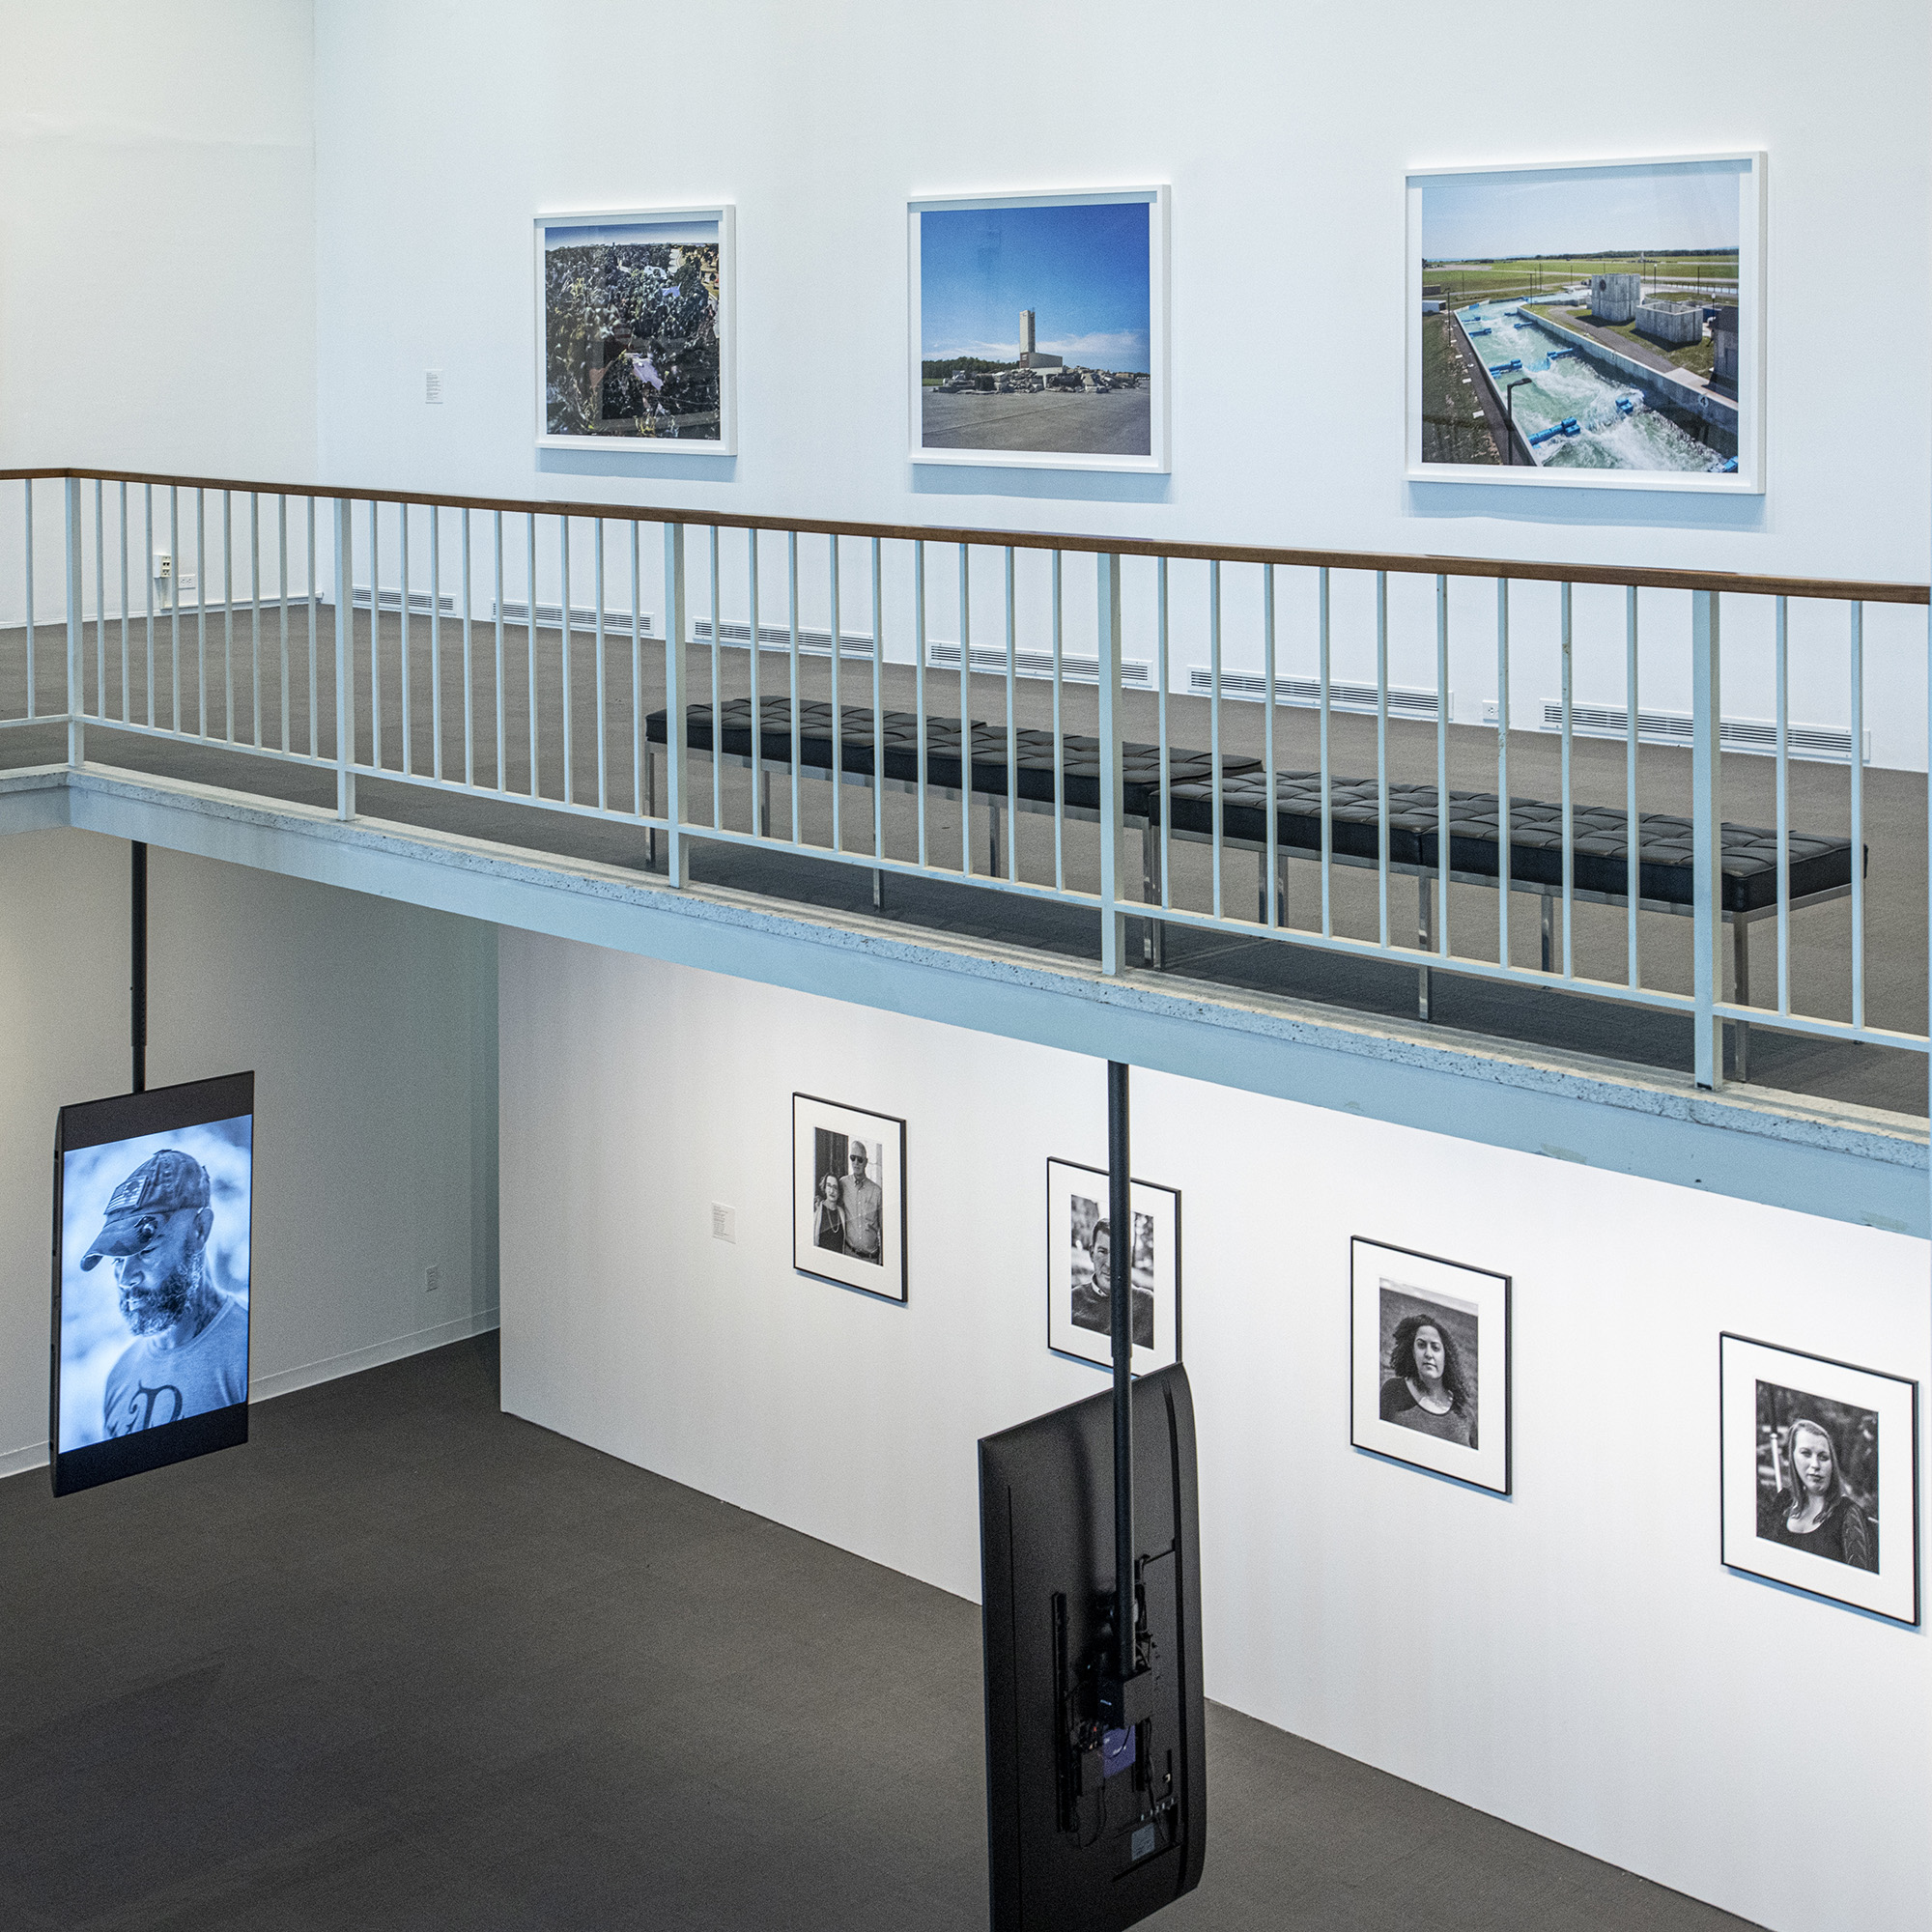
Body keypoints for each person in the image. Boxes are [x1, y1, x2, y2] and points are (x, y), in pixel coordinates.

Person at [82, 1148, 246, 1437]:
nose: (125, 1278)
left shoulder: (248, 1351)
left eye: (145, 1250)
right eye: (117, 1259)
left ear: (199, 1230)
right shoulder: (119, 1376)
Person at [1757, 1416, 1876, 1571]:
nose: (1815, 1465)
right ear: (1792, 1457)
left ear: (1832, 1464)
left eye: (1823, 1457)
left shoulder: (1848, 1514)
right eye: (1806, 1453)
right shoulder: (1784, 1501)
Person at [1378, 1313, 1476, 1449]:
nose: (1428, 1354)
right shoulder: (1393, 1391)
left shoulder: (1464, 1412)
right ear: (1412, 1352)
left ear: (1446, 1356)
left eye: (1435, 1348)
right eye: (1421, 1345)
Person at [1069, 1218, 1154, 1349]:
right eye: (1102, 1252)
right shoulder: (1072, 1300)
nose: (1109, 1264)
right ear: (1092, 1253)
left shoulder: (1148, 1303)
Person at [838, 1141, 883, 1265]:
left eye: (860, 1159)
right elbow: (832, 1203)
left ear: (866, 1162)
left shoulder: (877, 1191)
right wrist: (819, 1201)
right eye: (853, 1158)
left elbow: (884, 1229)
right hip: (849, 1255)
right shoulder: (843, 1183)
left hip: (870, 1259)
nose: (856, 1163)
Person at [811, 1170, 845, 1252]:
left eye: (835, 1187)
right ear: (825, 1188)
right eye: (829, 1186)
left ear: (839, 1192)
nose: (832, 1191)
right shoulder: (817, 1209)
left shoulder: (841, 1213)